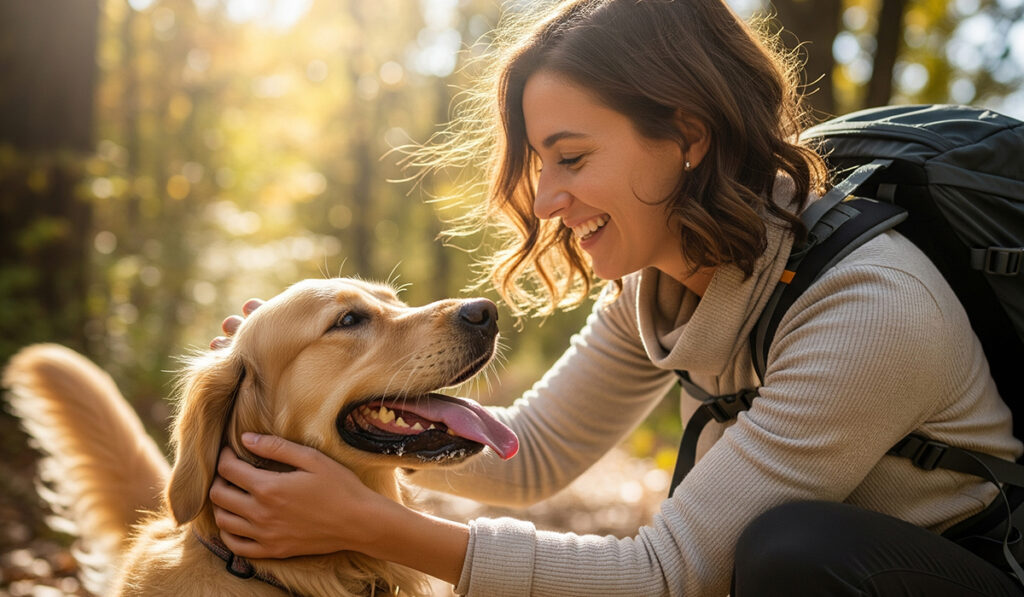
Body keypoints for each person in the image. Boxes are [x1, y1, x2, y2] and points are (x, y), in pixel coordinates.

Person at [207, 0, 1023, 595]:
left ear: (687, 136)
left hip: (953, 572)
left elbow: (668, 573)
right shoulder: (657, 281)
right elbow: (527, 456)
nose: (545, 199)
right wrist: (302, 394)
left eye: (571, 156)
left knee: (790, 550)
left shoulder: (869, 309)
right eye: (539, 164)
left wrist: (372, 525)